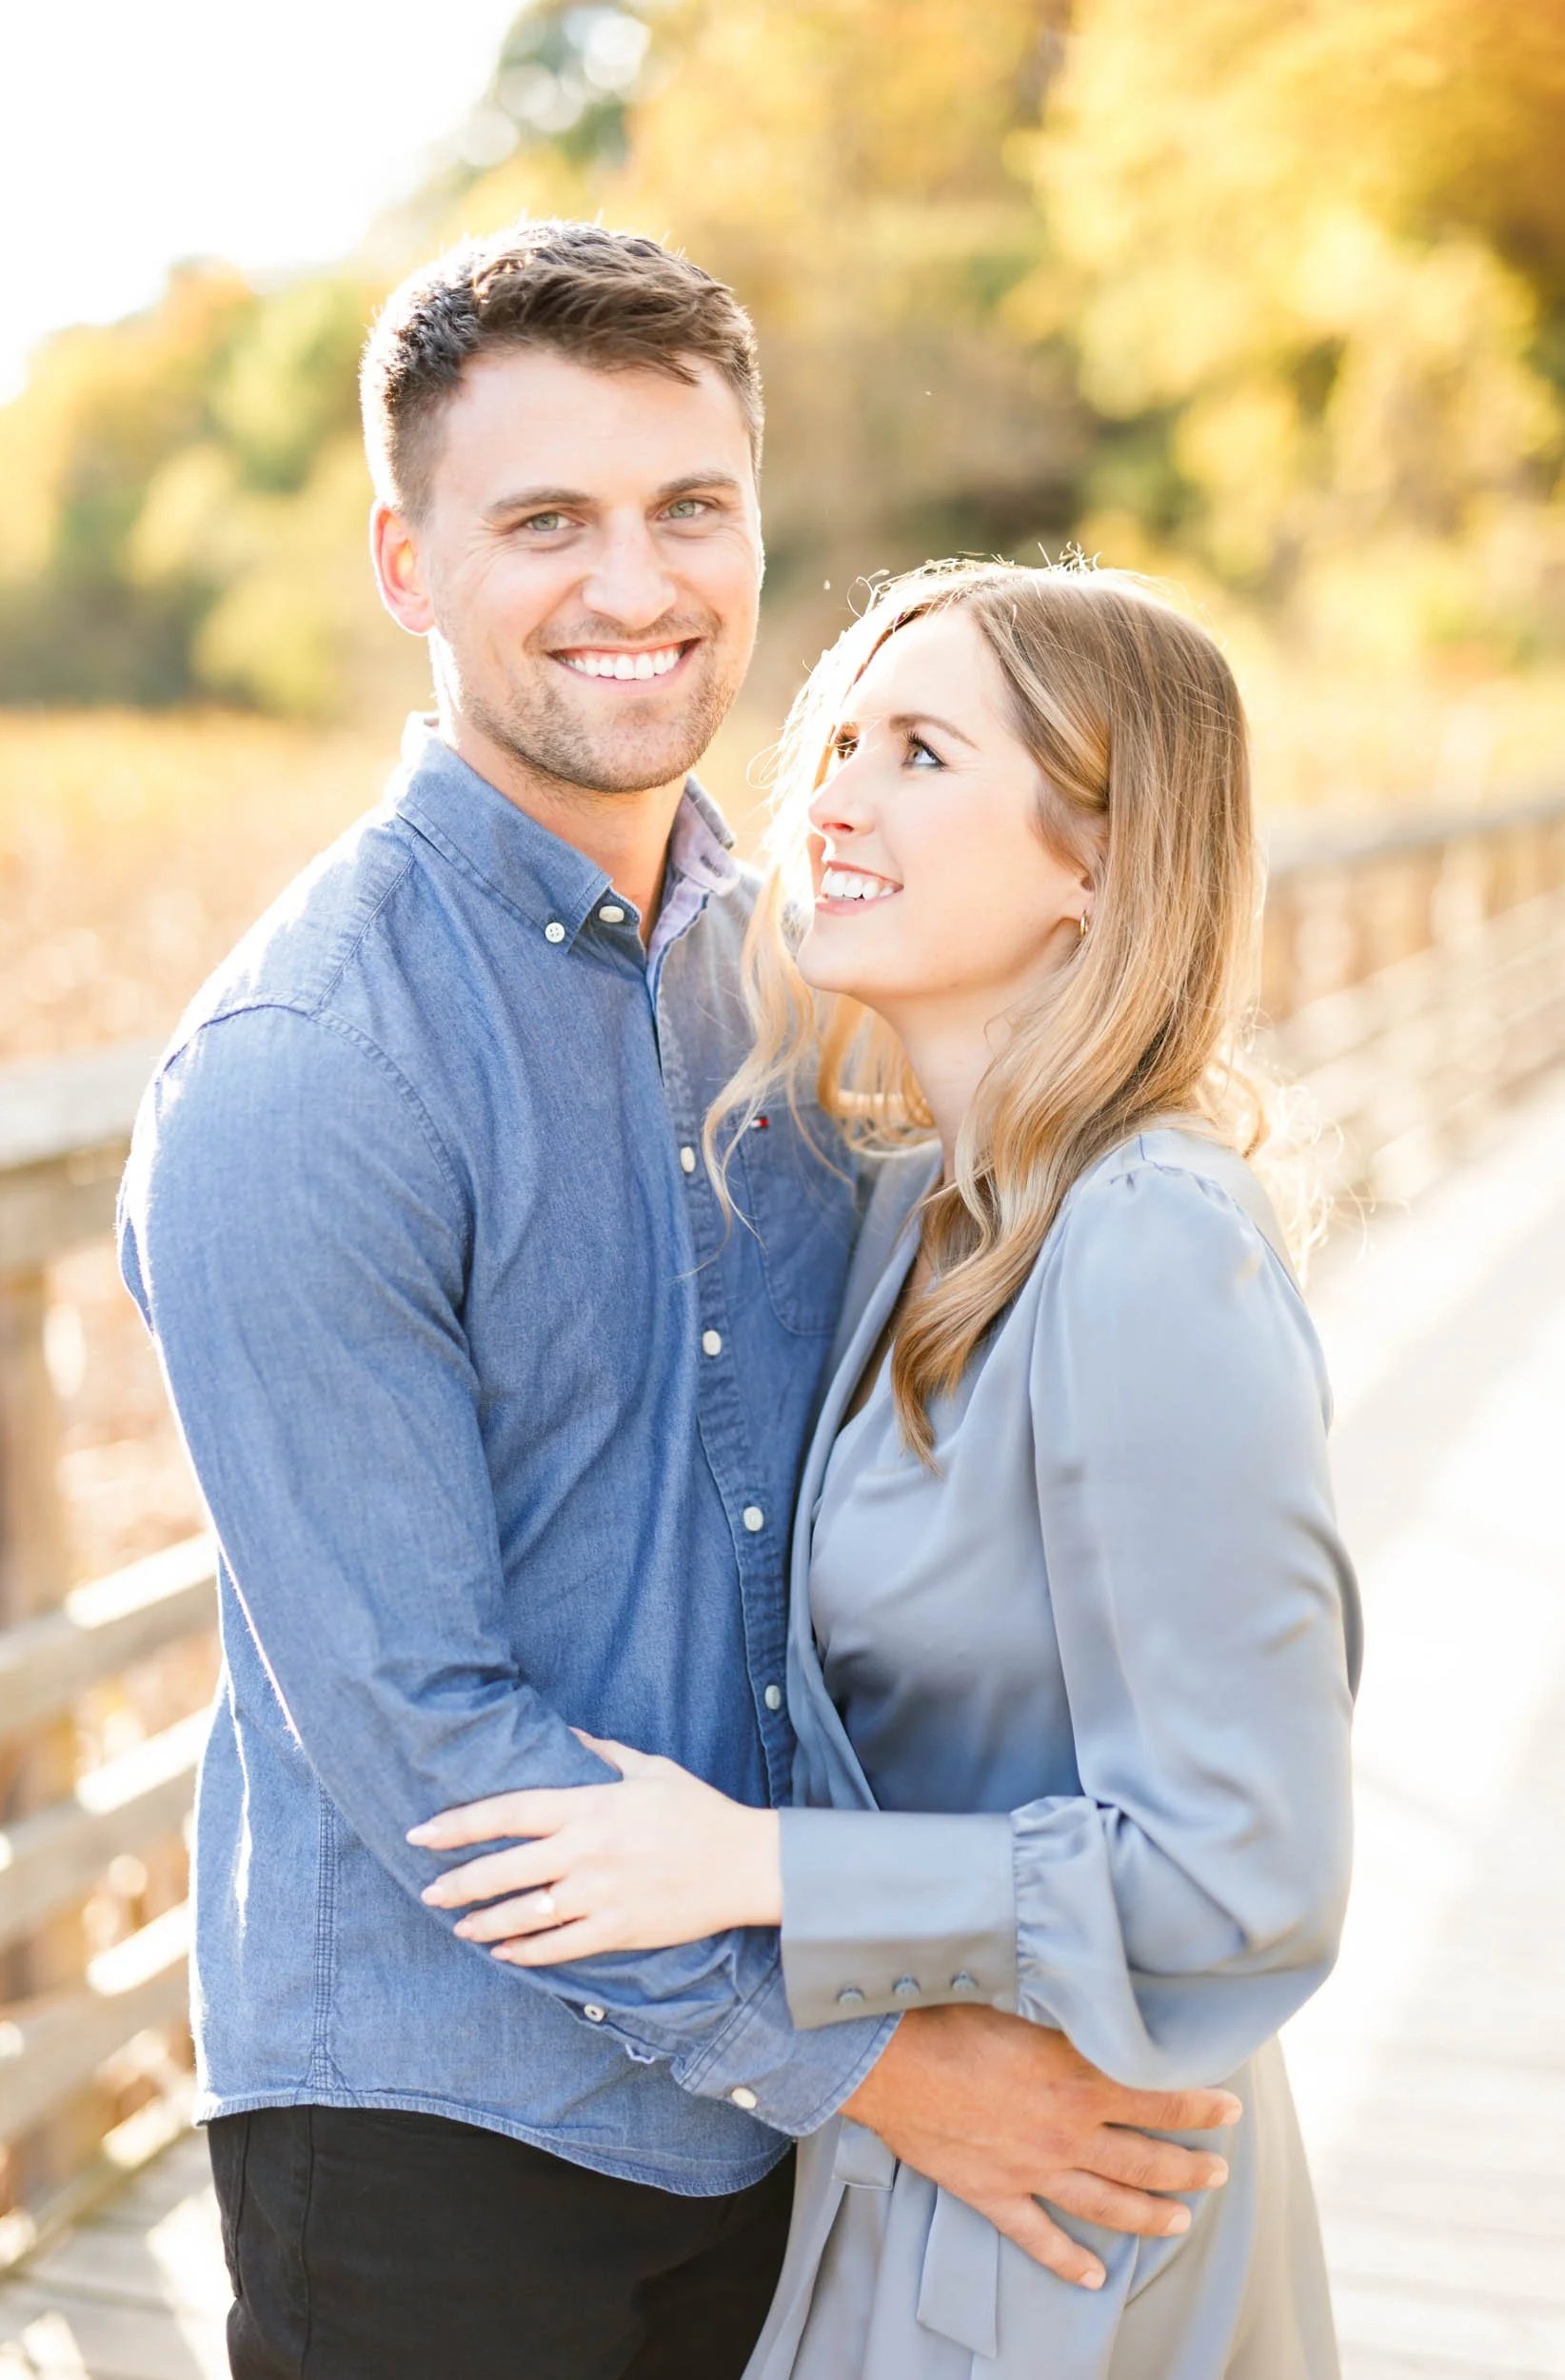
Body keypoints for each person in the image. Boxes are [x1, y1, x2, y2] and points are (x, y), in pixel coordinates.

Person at [120, 230, 1239, 2380]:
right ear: (403, 560)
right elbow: (426, 1742)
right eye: (545, 520)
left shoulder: (801, 970)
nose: (634, 585)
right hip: (443, 2138)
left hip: (787, 2136)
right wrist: (877, 2053)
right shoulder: (309, 1068)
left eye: (686, 508)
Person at [412, 558, 1362, 2378]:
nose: (829, 794)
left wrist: (752, 1868)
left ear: (1100, 860)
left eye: (921, 752)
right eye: (839, 736)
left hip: (1088, 2200)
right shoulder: (928, 1212)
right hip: (913, 2174)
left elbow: (1247, 1878)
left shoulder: (1151, 1240)